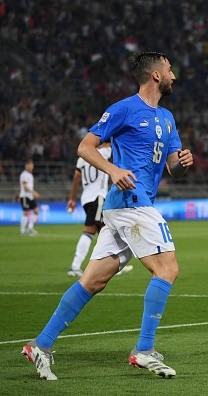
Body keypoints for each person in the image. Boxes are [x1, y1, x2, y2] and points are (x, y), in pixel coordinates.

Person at [21, 51, 193, 380]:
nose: (174, 75)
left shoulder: (168, 119)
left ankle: (41, 344)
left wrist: (182, 163)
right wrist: (113, 169)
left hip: (124, 208)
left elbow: (172, 167)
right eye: (169, 69)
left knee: (93, 280)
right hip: (132, 202)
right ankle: (144, 349)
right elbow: (85, 147)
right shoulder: (124, 109)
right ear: (156, 75)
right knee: (168, 269)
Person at [66, 142, 133, 277]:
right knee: (90, 231)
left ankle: (113, 266)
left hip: (86, 198)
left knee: (106, 231)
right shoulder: (104, 152)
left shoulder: (82, 158)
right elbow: (112, 147)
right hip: (98, 197)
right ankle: (75, 266)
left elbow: (76, 179)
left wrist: (72, 199)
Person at [19, 159, 40, 235]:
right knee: (26, 212)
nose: (31, 167)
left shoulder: (30, 175)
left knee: (36, 211)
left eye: (32, 165)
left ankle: (30, 228)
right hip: (25, 196)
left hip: (30, 196)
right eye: (30, 165)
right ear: (26, 165)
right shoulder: (24, 174)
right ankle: (22, 230)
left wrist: (33, 193)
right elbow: (25, 187)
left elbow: (30, 186)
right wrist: (34, 192)